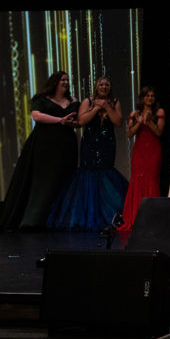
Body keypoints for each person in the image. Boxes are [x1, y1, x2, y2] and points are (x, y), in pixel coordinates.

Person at [0, 71, 79, 231]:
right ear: (55, 82)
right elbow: (37, 117)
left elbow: (78, 122)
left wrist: (71, 123)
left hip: (66, 146)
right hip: (44, 145)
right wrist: (60, 120)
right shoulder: (42, 99)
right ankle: (34, 220)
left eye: (67, 80)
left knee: (64, 181)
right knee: (43, 183)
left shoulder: (73, 101)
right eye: (62, 80)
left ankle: (59, 220)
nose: (66, 82)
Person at [47, 76, 129, 230]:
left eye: (107, 85)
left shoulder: (115, 102)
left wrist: (107, 106)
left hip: (107, 144)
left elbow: (118, 122)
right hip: (90, 143)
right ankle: (89, 214)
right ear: (96, 87)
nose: (104, 87)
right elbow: (81, 121)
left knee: (106, 173)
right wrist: (97, 108)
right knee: (88, 174)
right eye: (101, 85)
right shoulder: (88, 101)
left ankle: (110, 215)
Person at [118, 86, 164, 231]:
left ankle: (152, 218)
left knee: (151, 180)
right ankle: (135, 217)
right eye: (147, 96)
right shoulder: (135, 113)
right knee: (137, 181)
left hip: (153, 150)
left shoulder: (159, 112)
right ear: (142, 98)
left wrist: (149, 121)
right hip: (140, 151)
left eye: (152, 96)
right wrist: (138, 122)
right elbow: (129, 134)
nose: (150, 98)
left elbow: (159, 132)